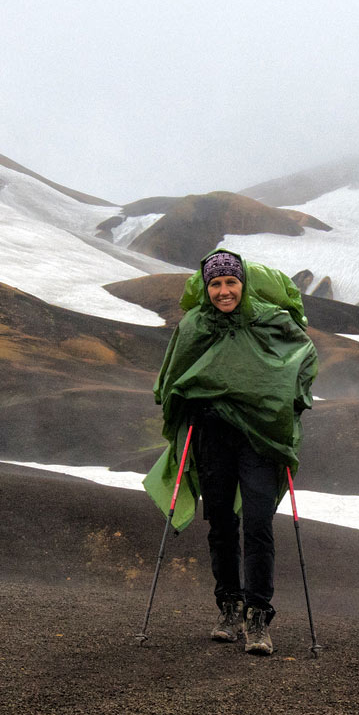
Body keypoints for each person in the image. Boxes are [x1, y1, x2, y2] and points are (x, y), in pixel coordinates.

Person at [144, 249, 317, 656]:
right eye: (216, 284)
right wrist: (188, 399)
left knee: (257, 524)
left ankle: (259, 616)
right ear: (207, 288)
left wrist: (292, 400)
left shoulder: (271, 321)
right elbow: (172, 376)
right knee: (221, 523)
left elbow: (304, 357)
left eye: (231, 282)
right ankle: (229, 607)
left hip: (259, 436)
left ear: (243, 284)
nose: (224, 291)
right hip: (212, 435)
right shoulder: (194, 326)